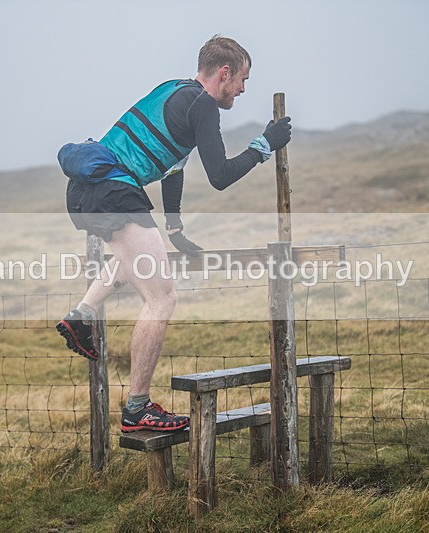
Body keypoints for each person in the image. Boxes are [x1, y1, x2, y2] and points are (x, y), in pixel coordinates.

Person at [56, 35, 291, 433]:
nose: (243, 89)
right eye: (242, 80)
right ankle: (137, 409)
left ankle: (81, 315)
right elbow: (219, 176)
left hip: (86, 189)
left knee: (134, 259)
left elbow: (173, 166)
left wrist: (175, 227)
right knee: (162, 299)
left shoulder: (174, 90)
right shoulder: (203, 106)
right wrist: (263, 145)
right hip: (113, 189)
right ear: (224, 72)